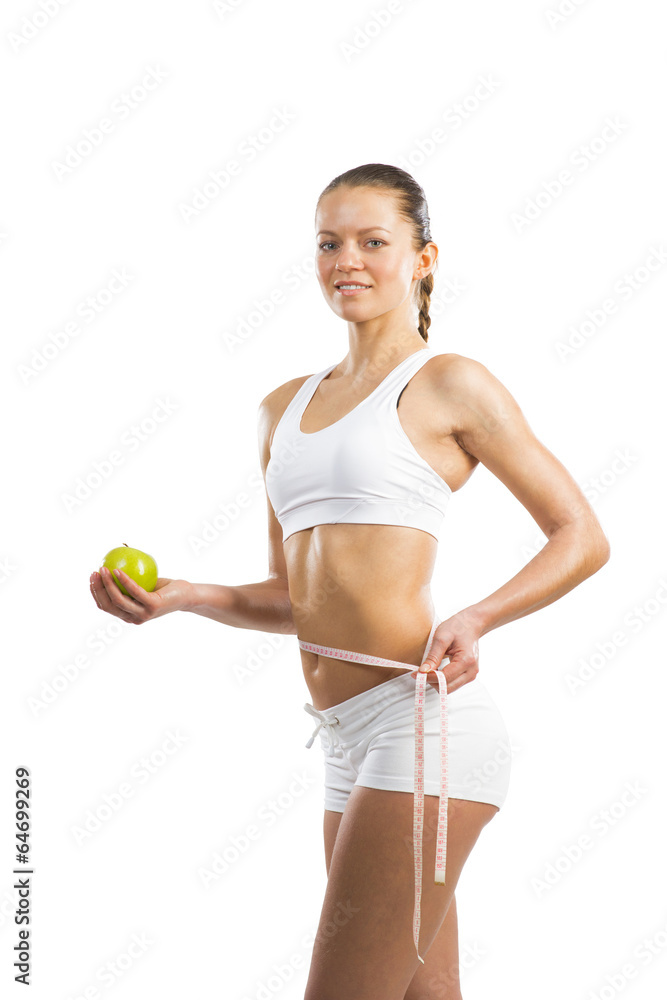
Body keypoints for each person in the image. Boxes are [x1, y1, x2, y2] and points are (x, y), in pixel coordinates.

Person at [90, 163, 611, 999]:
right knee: (420, 995)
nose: (348, 260)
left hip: (426, 728)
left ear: (423, 258)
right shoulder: (281, 410)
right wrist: (183, 595)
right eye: (330, 242)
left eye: (375, 241)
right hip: (345, 739)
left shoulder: (448, 383)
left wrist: (478, 616)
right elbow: (296, 600)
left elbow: (581, 536)